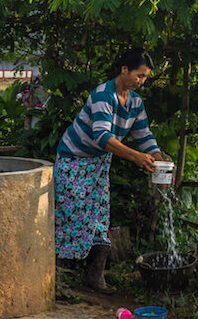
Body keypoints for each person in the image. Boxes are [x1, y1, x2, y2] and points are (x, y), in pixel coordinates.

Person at [54, 48, 166, 293]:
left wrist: (158, 161)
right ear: (124, 70)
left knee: (99, 219)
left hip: (98, 165)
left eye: (145, 77)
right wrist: (136, 157)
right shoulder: (104, 95)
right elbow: (102, 136)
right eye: (139, 75)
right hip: (74, 161)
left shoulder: (135, 102)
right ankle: (55, 281)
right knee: (68, 217)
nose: (142, 81)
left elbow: (144, 136)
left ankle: (95, 278)